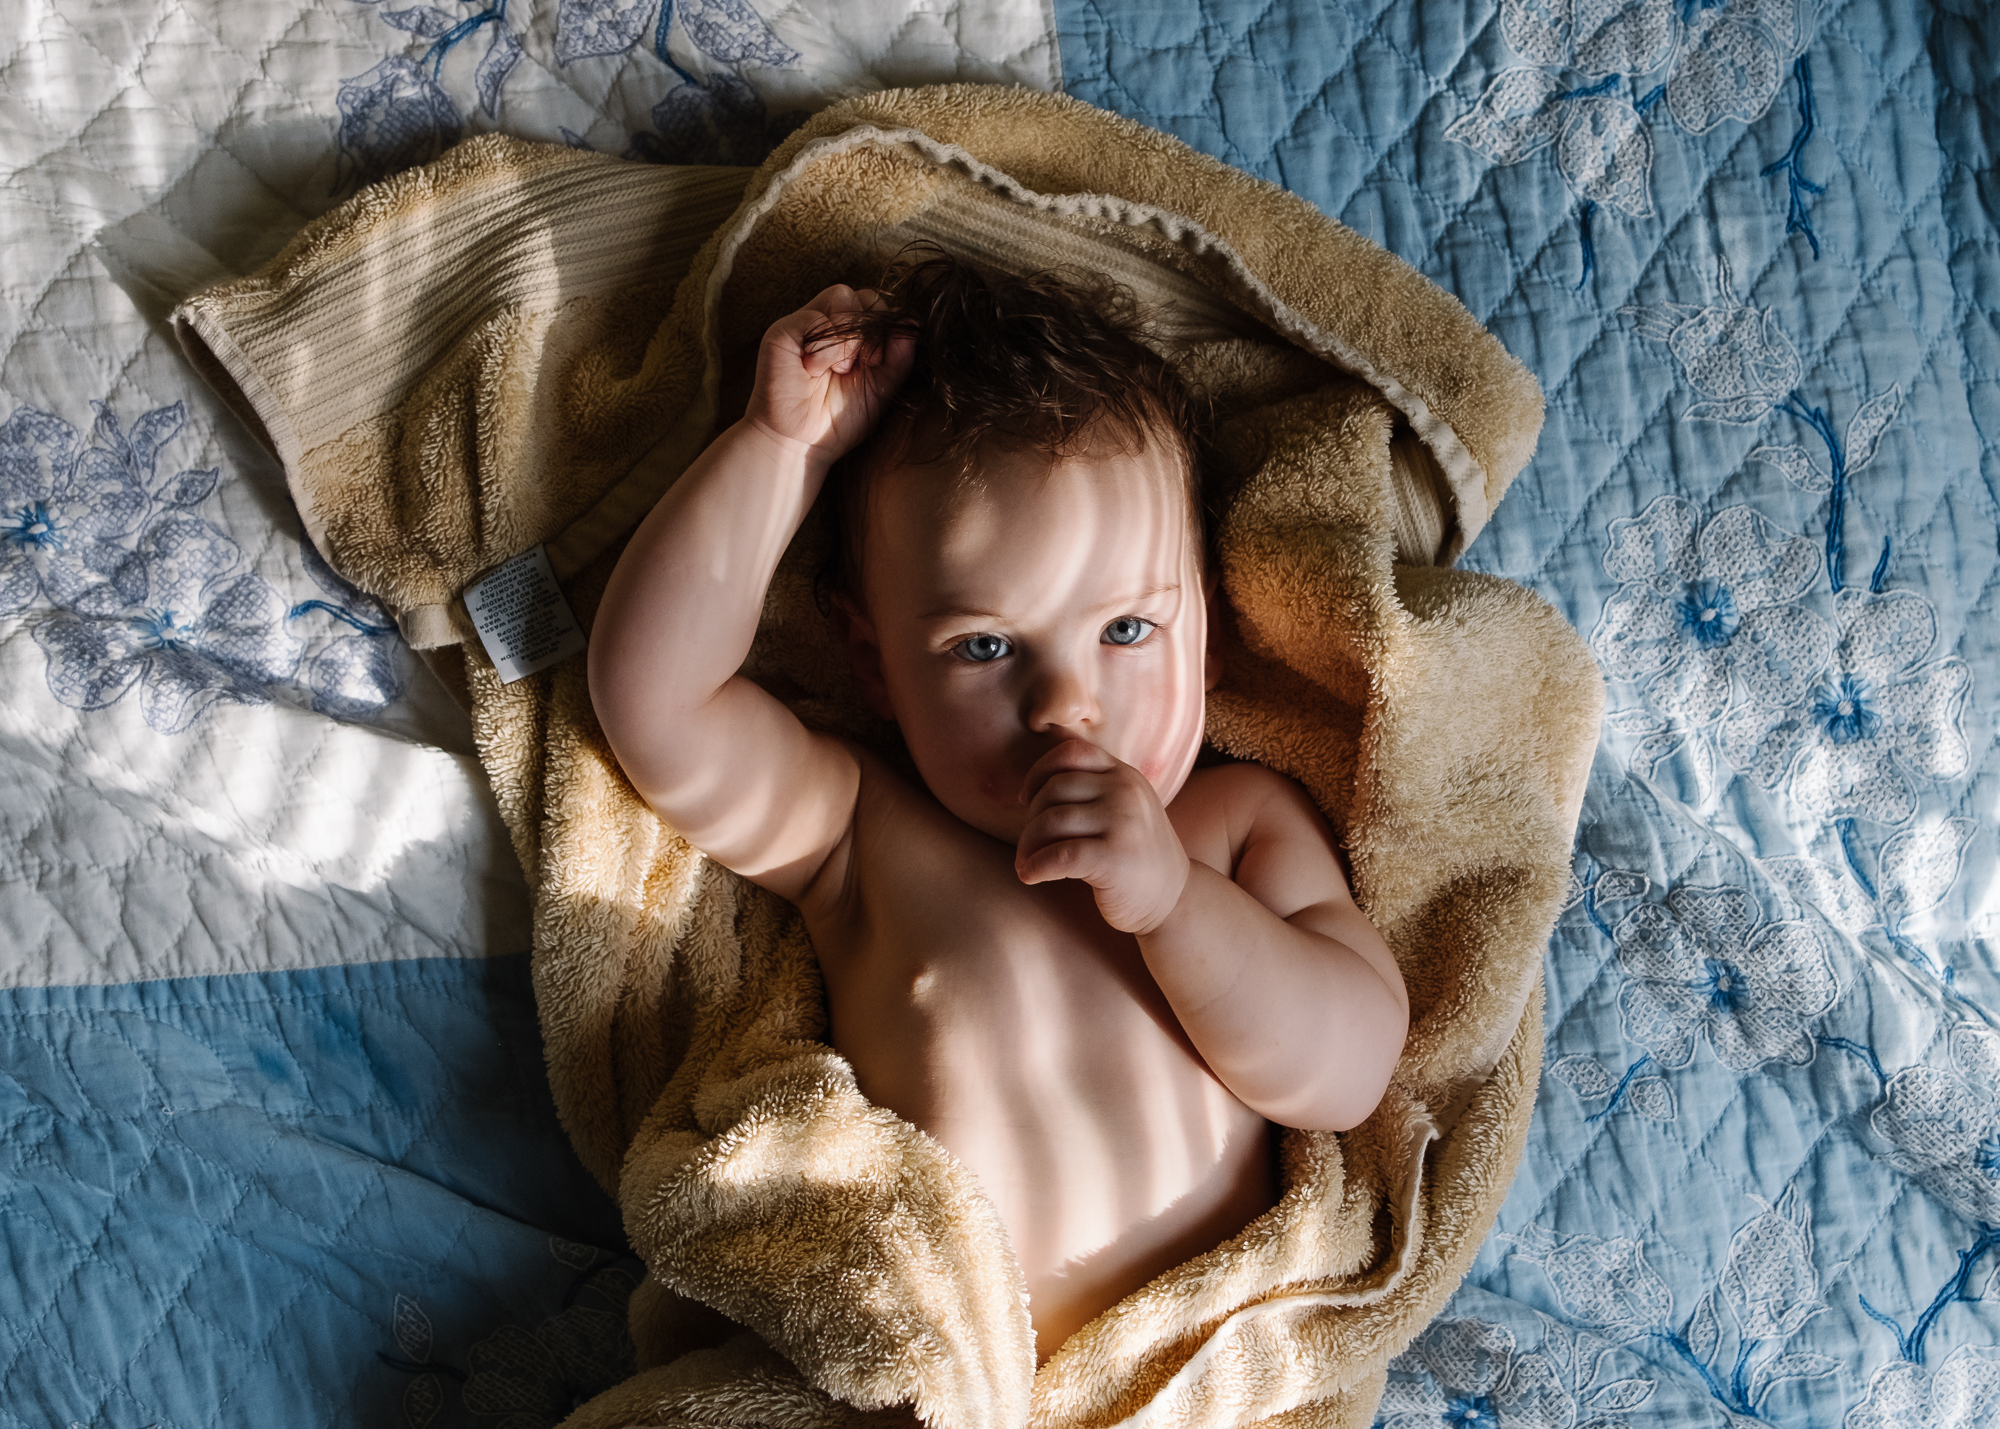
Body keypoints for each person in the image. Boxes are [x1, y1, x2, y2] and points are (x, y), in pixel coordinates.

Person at [588, 254, 1409, 1364]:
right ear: (877, 668)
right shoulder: (856, 833)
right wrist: (779, 450)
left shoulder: (1233, 826)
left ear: (1207, 633)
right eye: (982, 646)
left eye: (1126, 630)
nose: (1065, 703)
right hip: (937, 1372)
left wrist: (1172, 902)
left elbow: (1347, 1068)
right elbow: (656, 697)